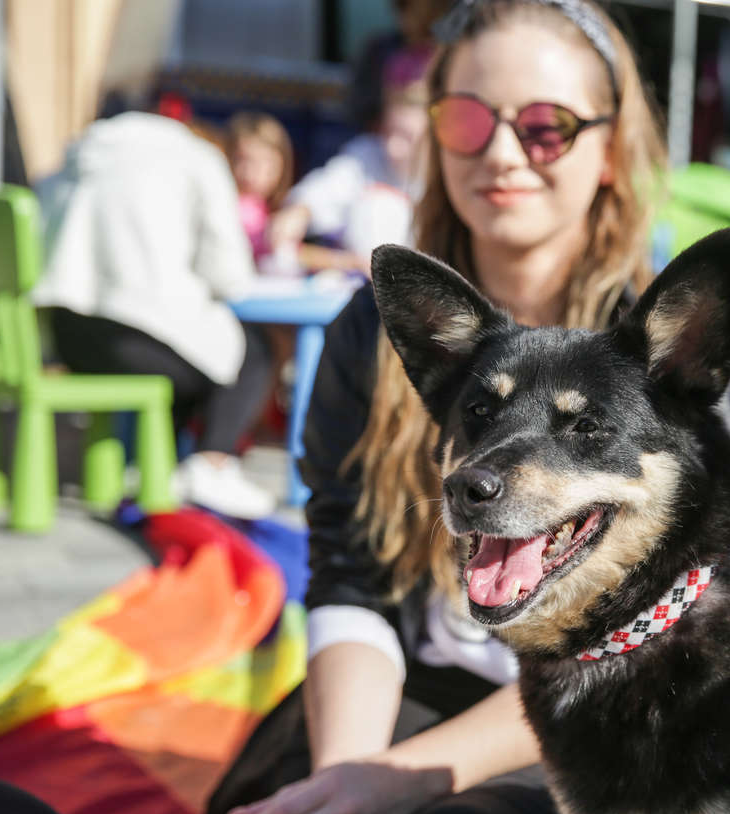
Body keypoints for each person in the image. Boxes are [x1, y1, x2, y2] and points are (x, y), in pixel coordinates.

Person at [207, 1, 730, 814]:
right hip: (420, 675)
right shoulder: (383, 326)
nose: (500, 154)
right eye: (467, 119)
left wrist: (407, 780)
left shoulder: (663, 362)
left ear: (609, 149)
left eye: (545, 128)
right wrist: (347, 779)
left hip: (605, 704)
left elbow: (688, 619)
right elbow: (350, 569)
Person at [34, 112, 277, 520]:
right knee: (249, 353)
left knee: (194, 348)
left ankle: (155, 470)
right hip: (135, 339)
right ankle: (212, 464)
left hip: (65, 335)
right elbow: (230, 276)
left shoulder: (79, 155)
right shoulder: (199, 159)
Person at [265, 43, 433, 276]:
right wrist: (299, 212)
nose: (393, 147)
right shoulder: (366, 155)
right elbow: (329, 185)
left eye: (407, 137)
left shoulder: (445, 174)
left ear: (431, 139)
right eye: (389, 132)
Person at [226, 111, 296, 267]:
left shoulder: (279, 207)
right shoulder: (235, 207)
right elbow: (274, 243)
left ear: (283, 164)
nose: (250, 172)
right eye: (242, 160)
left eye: (264, 161)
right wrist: (339, 261)